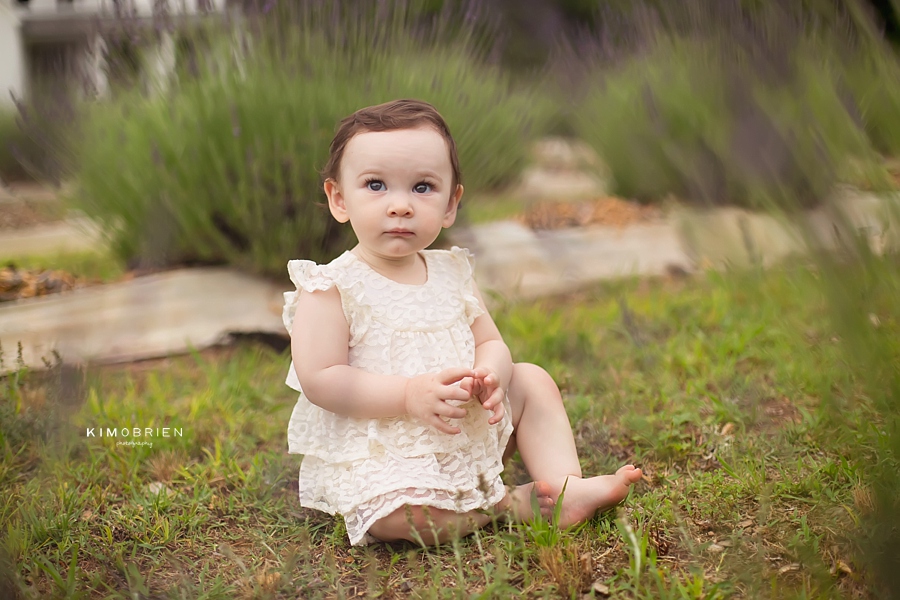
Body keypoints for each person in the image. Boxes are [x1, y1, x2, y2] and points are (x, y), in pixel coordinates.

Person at [283, 98, 642, 546]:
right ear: (339, 198)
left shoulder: (453, 272)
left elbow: (491, 342)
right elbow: (321, 379)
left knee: (531, 380)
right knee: (398, 518)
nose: (400, 206)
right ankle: (508, 503)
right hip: (388, 448)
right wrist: (408, 394)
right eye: (376, 185)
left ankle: (563, 487)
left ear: (451, 204)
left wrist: (493, 374)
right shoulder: (331, 286)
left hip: (464, 425)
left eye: (422, 187)